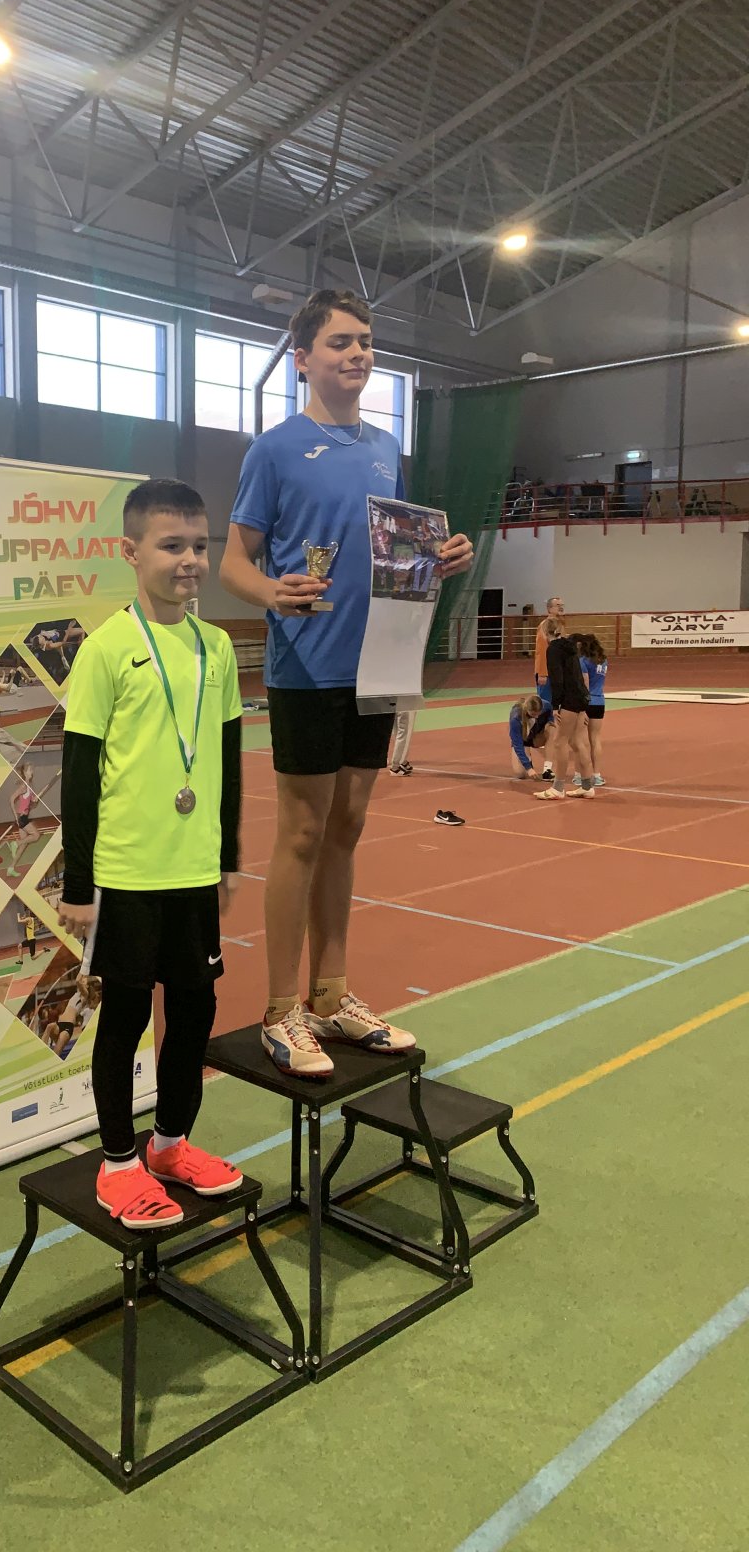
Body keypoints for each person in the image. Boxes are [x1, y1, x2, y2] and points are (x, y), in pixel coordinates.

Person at [219, 288, 474, 1077]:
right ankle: (280, 1010)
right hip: (307, 665)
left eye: (365, 341)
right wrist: (271, 592)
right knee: (301, 832)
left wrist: (438, 558)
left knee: (349, 827)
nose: (357, 352)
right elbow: (233, 561)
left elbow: (389, 554)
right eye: (340, 342)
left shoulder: (385, 448)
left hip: (379, 663)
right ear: (303, 359)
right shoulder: (275, 450)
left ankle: (330, 996)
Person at [59, 478, 243, 1229]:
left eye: (200, 545)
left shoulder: (216, 647)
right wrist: (78, 884)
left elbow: (228, 759)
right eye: (172, 546)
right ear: (130, 552)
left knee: (195, 1011)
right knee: (126, 1017)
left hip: (194, 871)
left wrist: (228, 856)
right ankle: (117, 1163)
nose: (190, 559)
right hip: (127, 872)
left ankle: (169, 1145)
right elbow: (77, 772)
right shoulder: (106, 649)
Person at [536, 627, 595, 801]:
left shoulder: (553, 650)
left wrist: (556, 706)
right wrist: (584, 703)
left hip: (569, 699)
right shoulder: (570, 647)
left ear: (545, 633)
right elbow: (578, 676)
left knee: (559, 742)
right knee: (577, 742)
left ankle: (558, 788)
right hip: (580, 696)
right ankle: (587, 786)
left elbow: (557, 679)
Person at [532, 596, 566, 779]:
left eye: (562, 605)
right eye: (557, 605)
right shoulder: (545, 626)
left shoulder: (560, 625)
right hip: (548, 675)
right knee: (547, 713)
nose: (561, 607)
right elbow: (541, 651)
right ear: (549, 608)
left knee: (557, 713)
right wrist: (543, 673)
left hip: (557, 674)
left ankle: (552, 745)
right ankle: (542, 748)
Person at [577, 634, 608, 788]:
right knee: (595, 739)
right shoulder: (603, 661)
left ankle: (579, 775)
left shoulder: (583, 661)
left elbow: (585, 683)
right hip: (599, 701)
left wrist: (582, 705)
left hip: (587, 702)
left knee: (580, 741)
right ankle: (597, 775)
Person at [509, 693, 552, 778]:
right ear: (527, 710)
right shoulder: (516, 718)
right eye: (533, 714)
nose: (536, 717)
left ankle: (548, 769)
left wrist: (551, 720)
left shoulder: (545, 705)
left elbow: (550, 710)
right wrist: (528, 768)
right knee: (520, 774)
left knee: (553, 727)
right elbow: (517, 745)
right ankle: (528, 755)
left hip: (536, 736)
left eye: (538, 714)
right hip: (523, 740)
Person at [387, 710, 416, 776]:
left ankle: (402, 761)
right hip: (406, 705)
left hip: (394, 705)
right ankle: (396, 766)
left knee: (398, 729)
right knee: (405, 732)